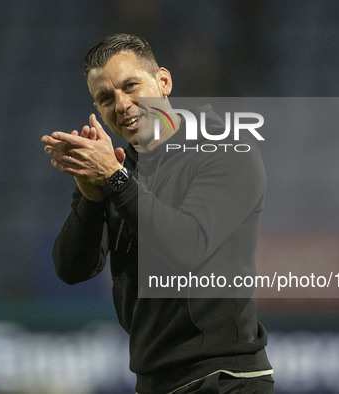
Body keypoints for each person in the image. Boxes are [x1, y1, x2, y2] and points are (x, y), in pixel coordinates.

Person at [42, 33, 274, 393]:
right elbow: (72, 269)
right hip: (154, 383)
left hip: (224, 379)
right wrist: (89, 195)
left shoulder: (226, 150)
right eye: (106, 98)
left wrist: (115, 181)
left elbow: (188, 246)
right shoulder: (122, 169)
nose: (121, 104)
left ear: (163, 81)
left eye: (131, 86)